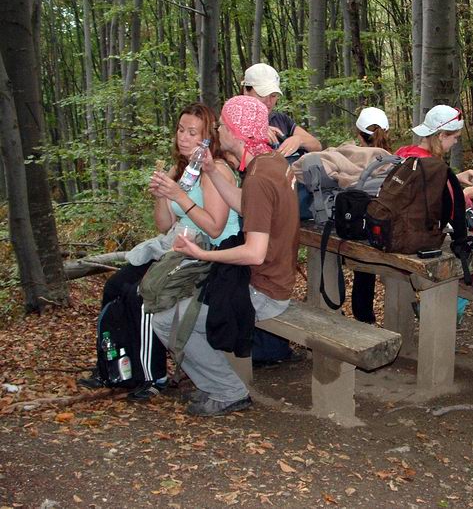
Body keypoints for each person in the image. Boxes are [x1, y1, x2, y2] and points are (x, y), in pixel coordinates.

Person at [151, 95, 300, 416]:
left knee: (168, 322)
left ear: (238, 132)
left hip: (264, 290)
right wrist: (212, 172)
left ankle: (227, 390)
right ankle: (217, 385)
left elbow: (254, 252)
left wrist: (201, 254)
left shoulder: (261, 177)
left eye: (223, 126)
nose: (217, 130)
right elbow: (248, 204)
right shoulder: (270, 162)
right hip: (272, 279)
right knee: (179, 309)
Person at [80, 103, 241, 399]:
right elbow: (164, 224)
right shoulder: (180, 168)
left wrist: (178, 194)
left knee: (143, 293)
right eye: (181, 129)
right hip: (179, 244)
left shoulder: (214, 170)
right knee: (115, 285)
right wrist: (161, 196)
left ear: (208, 138)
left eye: (193, 132)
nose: (183, 137)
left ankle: (152, 376)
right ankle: (115, 366)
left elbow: (215, 228)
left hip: (211, 254)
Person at [396, 105, 473, 324]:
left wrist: (456, 178)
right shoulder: (431, 165)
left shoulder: (405, 153)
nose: (456, 142)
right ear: (440, 136)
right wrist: (466, 194)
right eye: (454, 137)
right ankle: (448, 314)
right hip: (417, 238)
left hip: (399, 230)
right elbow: (438, 206)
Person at [350, 107, 392, 324]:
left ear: (359, 135)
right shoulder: (395, 163)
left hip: (356, 229)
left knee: (361, 273)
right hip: (386, 231)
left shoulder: (351, 159)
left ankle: (364, 320)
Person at [241, 63, 322, 161]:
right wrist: (254, 133)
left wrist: (299, 140)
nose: (268, 102)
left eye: (273, 95)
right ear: (246, 91)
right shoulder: (231, 121)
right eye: (262, 95)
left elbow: (317, 146)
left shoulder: (280, 119)